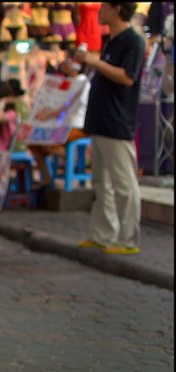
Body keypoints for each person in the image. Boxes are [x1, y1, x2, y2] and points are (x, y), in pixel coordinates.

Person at [74, 2, 145, 255]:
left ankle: (128, 239)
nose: (99, 11)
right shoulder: (112, 40)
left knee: (123, 183)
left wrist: (95, 61)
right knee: (101, 181)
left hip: (117, 121)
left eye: (104, 6)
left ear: (116, 9)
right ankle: (102, 234)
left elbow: (127, 77)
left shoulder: (133, 41)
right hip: (101, 120)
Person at [27, 57, 90, 190]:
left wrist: (50, 113)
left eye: (68, 61)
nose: (64, 64)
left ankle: (73, 160)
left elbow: (68, 105)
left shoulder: (84, 83)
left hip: (77, 126)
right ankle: (46, 177)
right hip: (59, 124)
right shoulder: (65, 81)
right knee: (34, 143)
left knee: (51, 142)